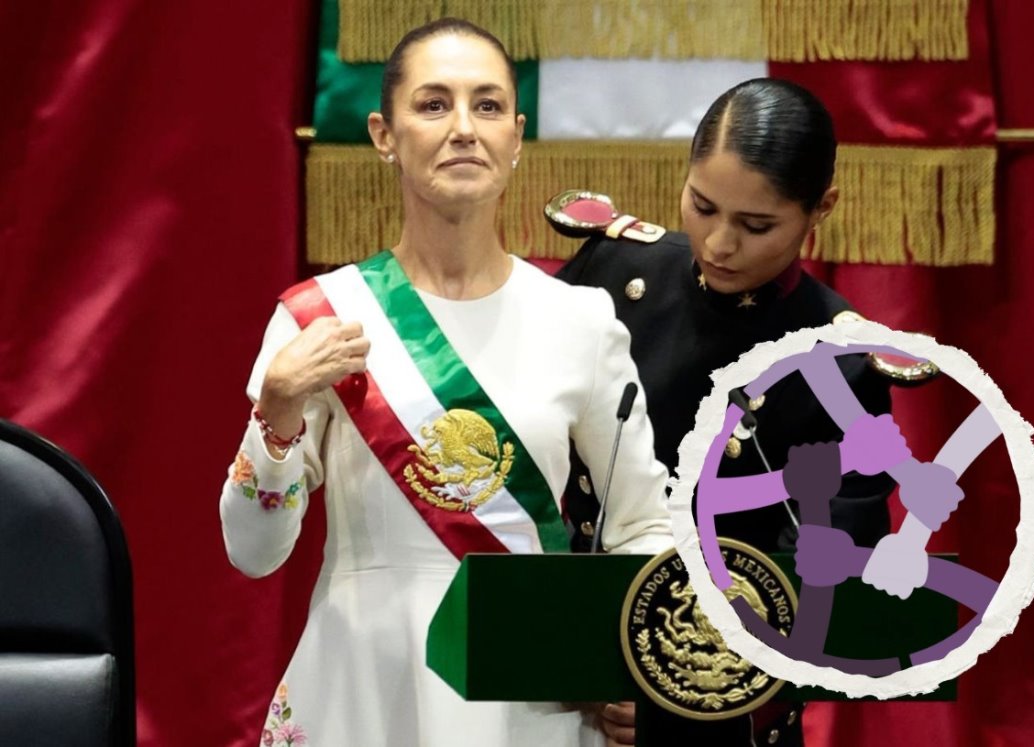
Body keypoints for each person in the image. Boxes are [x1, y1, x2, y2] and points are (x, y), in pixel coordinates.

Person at [219, 18, 672, 747]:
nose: (464, 127)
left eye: (487, 105)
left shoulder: (582, 321)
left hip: (531, 696)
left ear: (518, 137)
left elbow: (645, 525)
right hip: (365, 683)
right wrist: (276, 411)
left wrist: (631, 665)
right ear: (383, 134)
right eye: (433, 105)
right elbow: (254, 550)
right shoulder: (321, 319)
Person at [555, 78, 899, 746]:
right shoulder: (611, 273)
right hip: (565, 676)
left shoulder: (840, 364)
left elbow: (828, 579)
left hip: (723, 708)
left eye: (755, 225)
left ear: (820, 207)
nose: (717, 244)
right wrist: (580, 657)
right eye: (702, 205)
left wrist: (672, 684)